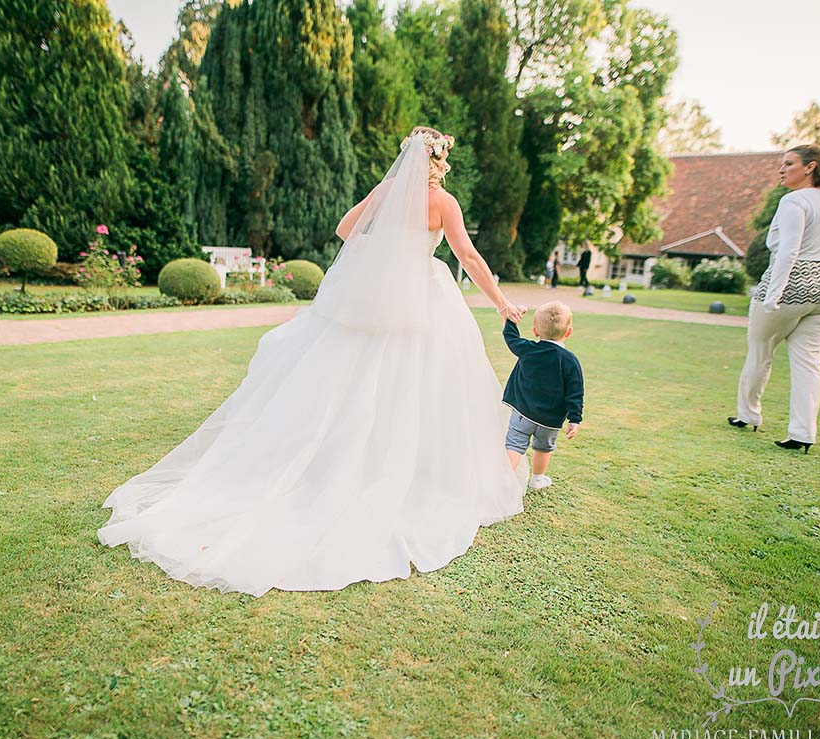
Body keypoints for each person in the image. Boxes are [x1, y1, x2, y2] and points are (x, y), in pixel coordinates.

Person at [98, 126, 529, 596]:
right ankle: (396, 468)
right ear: (439, 161)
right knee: (415, 384)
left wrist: (384, 257)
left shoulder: (386, 191)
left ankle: (344, 462)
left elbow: (346, 229)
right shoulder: (443, 203)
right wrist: (501, 301)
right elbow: (466, 255)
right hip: (421, 298)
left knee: (353, 379)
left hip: (374, 299)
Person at [728, 144, 820, 453]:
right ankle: (803, 433)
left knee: (760, 350)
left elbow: (788, 251)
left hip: (790, 287)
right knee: (809, 362)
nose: (781, 170)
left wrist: (773, 295)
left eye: (788, 163)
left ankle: (748, 414)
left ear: (810, 167)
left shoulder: (794, 200)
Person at [501, 301, 584, 490]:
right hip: (550, 419)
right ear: (569, 331)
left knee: (514, 445)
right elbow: (575, 392)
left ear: (535, 330)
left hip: (523, 411)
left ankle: (503, 479)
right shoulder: (570, 361)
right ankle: (537, 479)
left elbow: (511, 338)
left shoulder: (529, 349)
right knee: (543, 448)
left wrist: (512, 319)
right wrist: (574, 419)